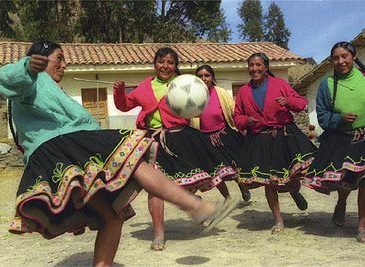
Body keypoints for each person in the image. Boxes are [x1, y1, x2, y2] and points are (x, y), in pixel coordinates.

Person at [0, 41, 236, 267]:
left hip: (75, 149)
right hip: (59, 148)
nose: (64, 65)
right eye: (59, 59)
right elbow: (6, 79)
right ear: (39, 58)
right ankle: (194, 206)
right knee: (135, 156)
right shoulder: (31, 79)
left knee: (113, 215)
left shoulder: (54, 89)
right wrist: (27, 67)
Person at [113, 47, 238, 251]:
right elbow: (125, 105)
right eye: (161, 62)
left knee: (184, 182)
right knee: (155, 190)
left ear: (175, 66)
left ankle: (193, 203)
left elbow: (198, 104)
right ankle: (159, 234)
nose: (165, 66)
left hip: (181, 138)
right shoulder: (145, 87)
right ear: (155, 64)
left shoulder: (184, 84)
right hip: (152, 142)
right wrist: (119, 92)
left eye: (170, 62)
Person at [233, 52, 316, 233]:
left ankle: (294, 191)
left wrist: (288, 101)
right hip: (259, 140)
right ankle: (278, 219)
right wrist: (246, 121)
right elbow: (236, 116)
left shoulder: (279, 84)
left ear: (266, 67)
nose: (254, 69)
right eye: (251, 65)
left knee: (292, 177)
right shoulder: (244, 92)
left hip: (284, 136)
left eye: (258, 65)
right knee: (269, 182)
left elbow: (301, 103)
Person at [302, 42, 365, 242]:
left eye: (345, 56)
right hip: (342, 138)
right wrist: (339, 119)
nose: (341, 61)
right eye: (336, 58)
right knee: (346, 180)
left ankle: (362, 225)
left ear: (353, 57)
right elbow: (322, 115)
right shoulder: (327, 85)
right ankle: (341, 202)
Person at [193, 64, 251, 201]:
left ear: (212, 77)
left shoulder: (221, 92)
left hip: (225, 136)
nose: (203, 78)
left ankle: (242, 186)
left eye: (206, 75)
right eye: (200, 76)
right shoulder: (193, 96)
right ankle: (227, 198)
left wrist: (243, 125)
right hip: (205, 140)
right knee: (215, 172)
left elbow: (233, 110)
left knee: (234, 167)